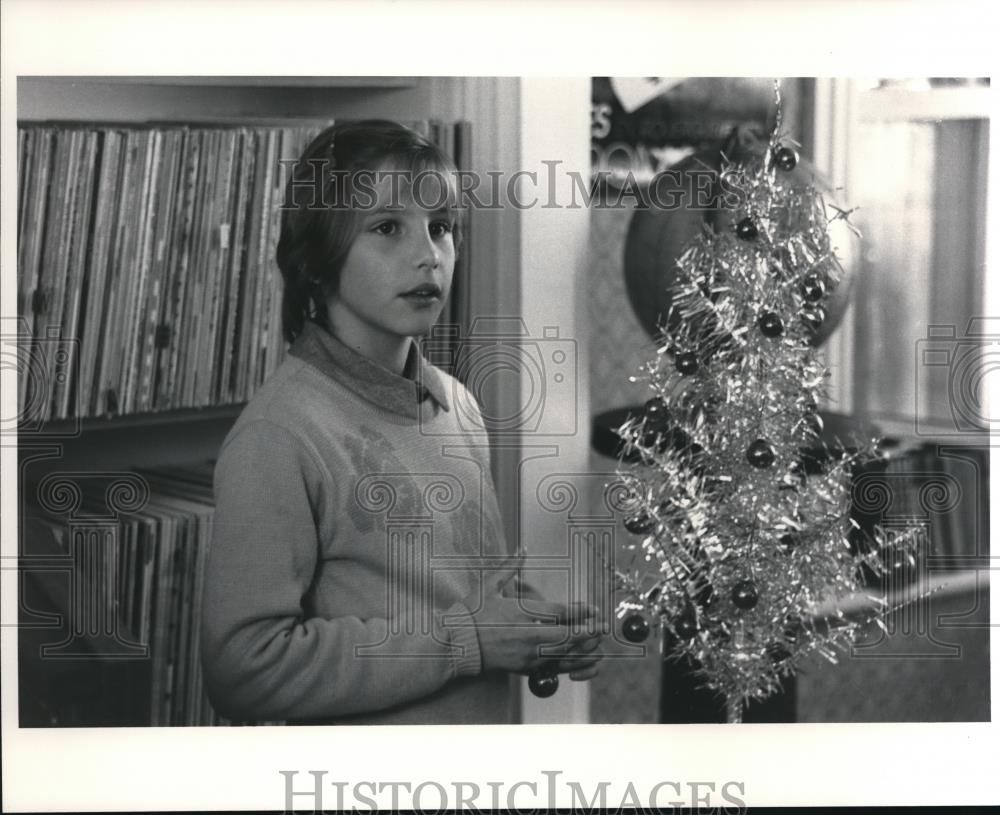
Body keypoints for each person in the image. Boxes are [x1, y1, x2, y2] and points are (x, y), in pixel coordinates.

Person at [200, 120, 603, 725]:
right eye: (387, 227)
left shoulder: (460, 406)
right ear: (318, 258)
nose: (428, 255)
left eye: (441, 228)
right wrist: (469, 640)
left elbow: (461, 598)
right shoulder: (278, 437)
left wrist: (534, 627)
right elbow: (245, 668)